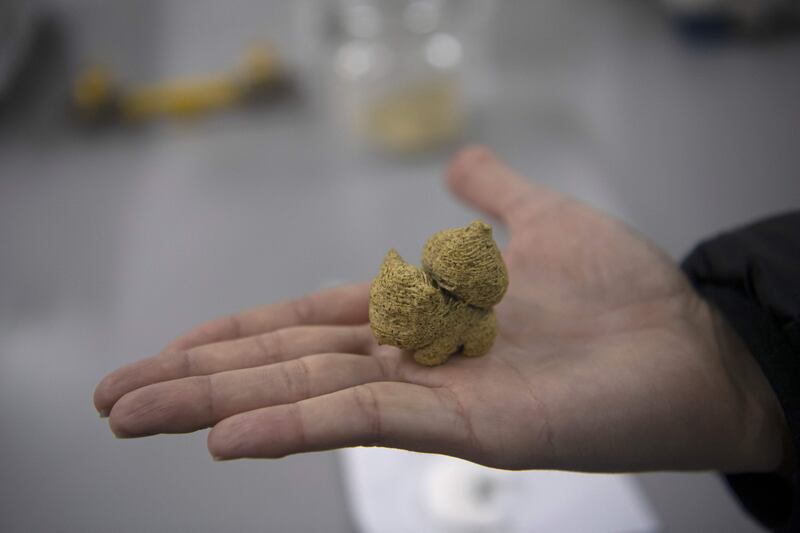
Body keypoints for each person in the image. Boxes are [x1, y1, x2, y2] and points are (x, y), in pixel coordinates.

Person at [93, 146, 799, 531]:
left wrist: (738, 346)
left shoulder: (465, 310)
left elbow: (462, 323)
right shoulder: (432, 301)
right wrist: (748, 343)